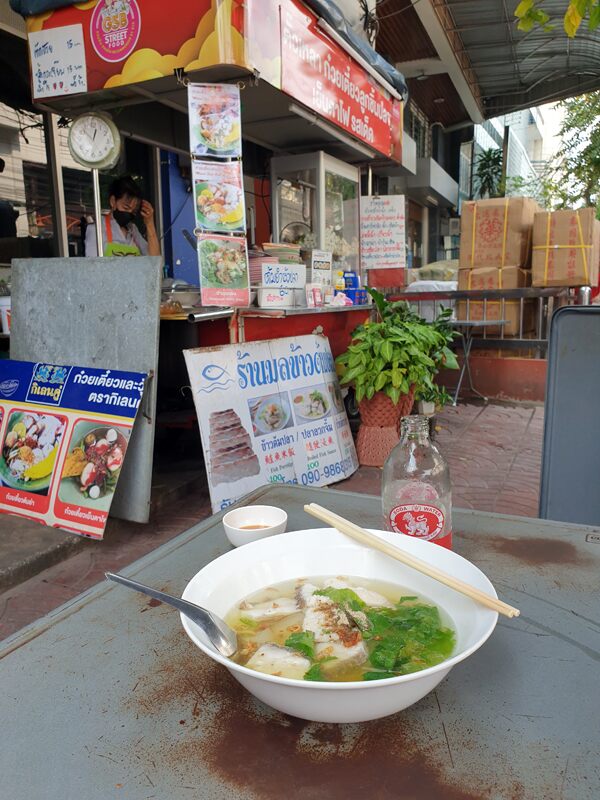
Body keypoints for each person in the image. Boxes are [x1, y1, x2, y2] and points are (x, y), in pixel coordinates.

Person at [85, 175, 160, 257]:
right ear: (113, 201)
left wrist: (149, 223)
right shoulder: (97, 229)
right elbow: (92, 265)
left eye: (133, 211)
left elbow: (154, 259)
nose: (129, 213)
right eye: (126, 207)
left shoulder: (133, 230)